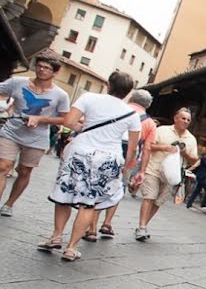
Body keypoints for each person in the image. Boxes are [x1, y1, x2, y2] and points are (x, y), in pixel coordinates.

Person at [38, 71, 139, 261]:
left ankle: (56, 236)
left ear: (109, 85)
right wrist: (126, 167)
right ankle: (71, 248)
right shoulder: (132, 114)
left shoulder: (89, 97)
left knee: (64, 196)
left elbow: (68, 122)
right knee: (89, 203)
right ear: (128, 93)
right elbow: (133, 148)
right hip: (108, 158)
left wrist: (81, 129)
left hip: (81, 151)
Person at [0, 52, 71, 217]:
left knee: (24, 171)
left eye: (47, 68)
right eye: (39, 66)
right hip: (12, 131)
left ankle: (9, 203)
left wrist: (40, 119)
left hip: (37, 138)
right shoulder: (17, 82)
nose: (42, 70)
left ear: (55, 72)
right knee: (3, 166)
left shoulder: (61, 95)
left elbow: (65, 119)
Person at [87, 89, 157, 240]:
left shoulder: (118, 108)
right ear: (148, 105)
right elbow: (147, 149)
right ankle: (107, 223)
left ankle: (91, 228)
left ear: (131, 97)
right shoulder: (150, 123)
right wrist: (142, 171)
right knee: (118, 189)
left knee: (100, 187)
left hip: (106, 152)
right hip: (128, 159)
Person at [133, 107, 198, 241]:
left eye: (188, 120)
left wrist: (184, 152)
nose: (186, 121)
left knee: (158, 202)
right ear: (175, 118)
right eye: (183, 118)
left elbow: (194, 159)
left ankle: (144, 225)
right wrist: (166, 148)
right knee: (150, 197)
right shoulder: (162, 130)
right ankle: (141, 227)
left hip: (171, 175)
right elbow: (148, 146)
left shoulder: (191, 139)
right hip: (154, 169)